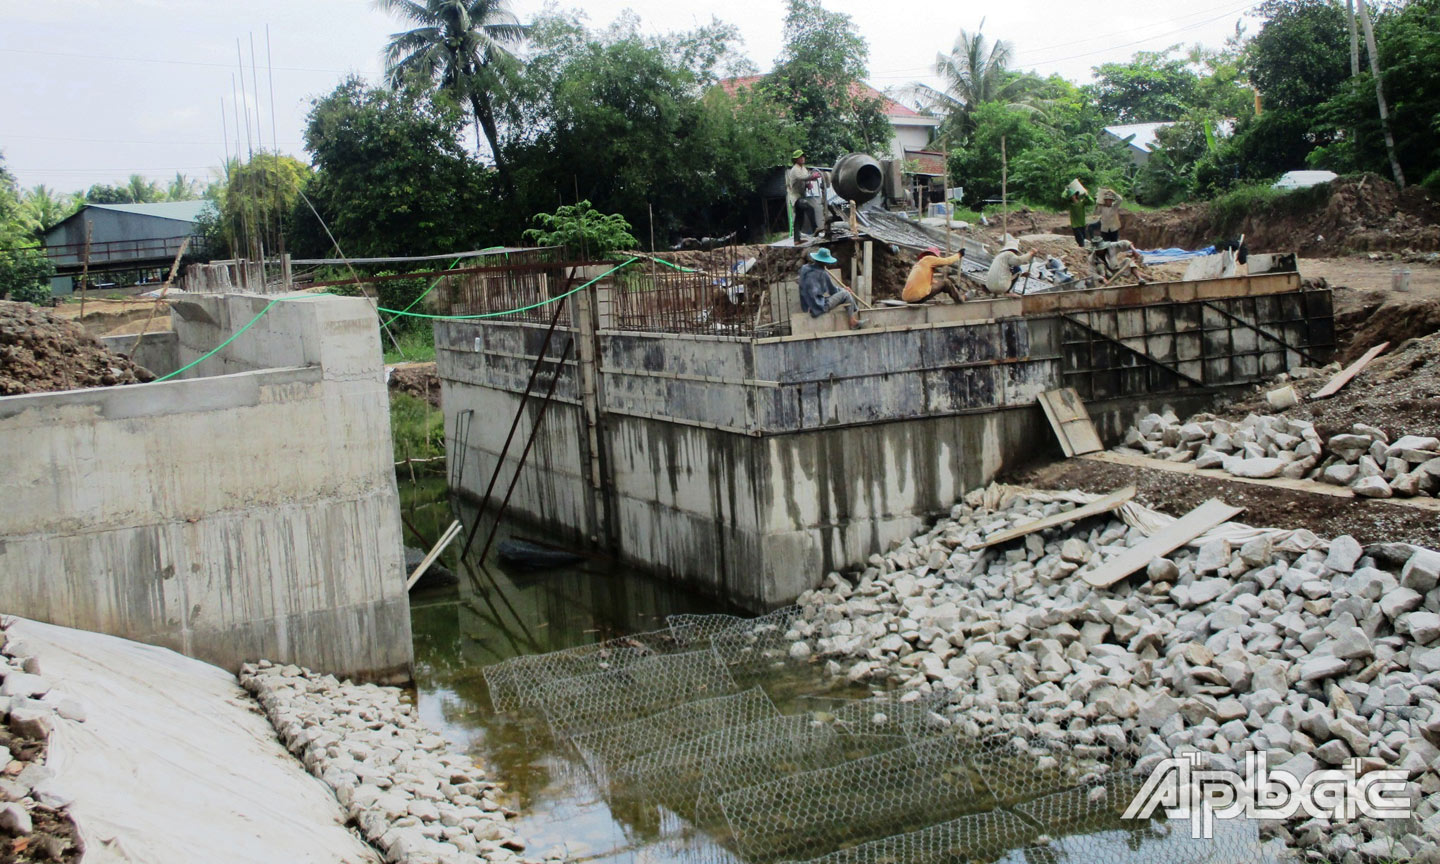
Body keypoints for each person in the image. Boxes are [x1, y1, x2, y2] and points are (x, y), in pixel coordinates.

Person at [798, 248, 861, 328]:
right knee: (846, 294)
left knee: (844, 293)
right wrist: (844, 289)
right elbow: (833, 291)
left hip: (806, 306)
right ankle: (852, 321)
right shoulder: (823, 274)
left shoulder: (804, 269)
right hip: (819, 307)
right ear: (825, 263)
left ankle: (854, 313)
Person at [786, 150, 823, 242]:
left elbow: (805, 179)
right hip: (796, 197)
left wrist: (807, 185)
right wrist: (812, 177)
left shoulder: (803, 168)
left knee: (799, 218)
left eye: (803, 156)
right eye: (800, 157)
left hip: (801, 195)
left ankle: (796, 239)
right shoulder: (795, 169)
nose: (802, 158)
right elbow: (802, 178)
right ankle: (815, 230)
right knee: (809, 208)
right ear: (796, 159)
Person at [1063, 179, 1093, 246]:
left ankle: (1084, 252)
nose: (1072, 197)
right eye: (1071, 196)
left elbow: (1092, 202)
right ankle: (1083, 252)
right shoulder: (1071, 205)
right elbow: (1063, 197)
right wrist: (1066, 190)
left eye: (1073, 195)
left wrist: (1087, 195)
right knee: (1080, 241)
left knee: (1084, 240)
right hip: (1075, 225)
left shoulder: (1082, 203)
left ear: (1076, 195)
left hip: (1082, 224)